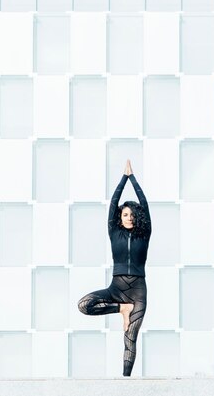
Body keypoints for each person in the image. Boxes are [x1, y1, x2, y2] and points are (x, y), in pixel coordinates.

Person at [77, 159, 152, 377]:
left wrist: (133, 179)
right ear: (120, 217)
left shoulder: (144, 234)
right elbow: (113, 204)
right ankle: (122, 309)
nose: (128, 217)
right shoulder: (114, 232)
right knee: (84, 305)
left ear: (137, 217)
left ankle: (125, 384)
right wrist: (123, 179)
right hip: (116, 288)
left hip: (137, 290)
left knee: (130, 338)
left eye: (132, 214)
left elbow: (144, 205)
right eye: (125, 214)